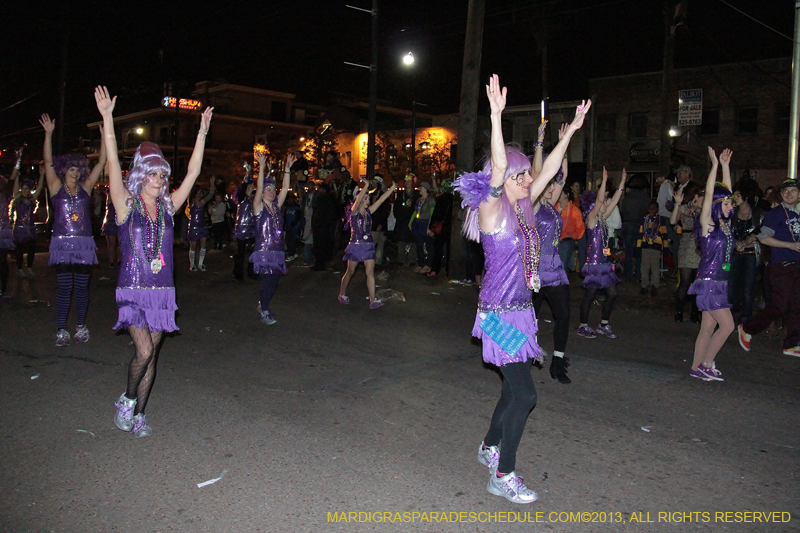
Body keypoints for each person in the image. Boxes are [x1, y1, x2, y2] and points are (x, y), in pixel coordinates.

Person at [455, 74, 589, 504]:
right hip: (497, 315)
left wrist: (569, 134)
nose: (530, 181)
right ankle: (503, 474)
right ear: (506, 179)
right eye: (522, 177)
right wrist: (496, 117)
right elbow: (497, 169)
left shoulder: (525, 207)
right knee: (526, 394)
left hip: (520, 312)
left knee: (513, 390)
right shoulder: (492, 211)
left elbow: (548, 169)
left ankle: (488, 446)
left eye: (528, 177)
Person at [96, 86, 213, 436]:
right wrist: (107, 118)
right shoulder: (125, 205)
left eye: (162, 175)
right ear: (140, 175)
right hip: (132, 289)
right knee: (144, 351)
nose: (159, 180)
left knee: (153, 356)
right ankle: (127, 400)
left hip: (162, 292)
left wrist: (202, 132)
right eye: (153, 174)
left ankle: (140, 415)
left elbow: (193, 173)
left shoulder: (168, 207)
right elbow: (113, 161)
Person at [40, 113, 107, 346]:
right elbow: (47, 161)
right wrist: (48, 134)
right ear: (63, 170)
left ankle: (80, 326)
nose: (75, 173)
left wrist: (105, 138)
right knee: (64, 287)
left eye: (78, 169)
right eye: (71, 169)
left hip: (83, 244)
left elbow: (101, 163)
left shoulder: (86, 188)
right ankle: (61, 329)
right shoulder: (55, 186)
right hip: (62, 244)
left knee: (81, 288)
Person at [530, 122, 573, 384]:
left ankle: (558, 363)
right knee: (530, 317)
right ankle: (526, 355)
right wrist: (540, 141)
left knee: (563, 315)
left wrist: (564, 144)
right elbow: (540, 173)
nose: (552, 186)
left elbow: (562, 174)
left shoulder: (551, 202)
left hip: (555, 269)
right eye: (547, 183)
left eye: (552, 185)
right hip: (535, 270)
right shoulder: (533, 204)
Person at [738, 177, 800, 357]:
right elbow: (763, 238)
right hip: (781, 265)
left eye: (793, 191)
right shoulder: (776, 213)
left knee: (797, 305)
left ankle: (791, 343)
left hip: (797, 265)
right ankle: (748, 328)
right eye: (785, 191)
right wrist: (789, 245)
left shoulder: (797, 213)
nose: (788, 194)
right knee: (780, 304)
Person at [687, 148, 734, 381]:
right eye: (724, 204)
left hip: (720, 281)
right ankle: (706, 364)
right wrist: (714, 166)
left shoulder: (725, 225)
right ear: (715, 205)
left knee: (707, 326)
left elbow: (726, 192)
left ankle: (696, 367)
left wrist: (726, 166)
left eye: (730, 203)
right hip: (709, 282)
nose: (729, 206)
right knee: (727, 326)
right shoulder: (708, 224)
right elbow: (709, 195)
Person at [576, 168, 626, 339]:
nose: (606, 204)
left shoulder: (603, 220)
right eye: (603, 202)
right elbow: (599, 201)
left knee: (612, 294)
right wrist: (603, 181)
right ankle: (583, 325)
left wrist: (622, 183)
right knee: (590, 295)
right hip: (594, 264)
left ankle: (604, 324)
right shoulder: (591, 219)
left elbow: (615, 200)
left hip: (604, 264)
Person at [338, 179, 396, 308]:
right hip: (355, 245)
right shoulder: (354, 213)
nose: (368, 199)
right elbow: (358, 199)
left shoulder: (369, 212)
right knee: (350, 271)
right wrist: (366, 186)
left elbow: (381, 200)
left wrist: (392, 188)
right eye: (366, 197)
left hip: (368, 245)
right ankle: (342, 293)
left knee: (370, 272)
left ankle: (372, 300)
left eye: (367, 197)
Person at [250, 152, 292, 325]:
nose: (272, 192)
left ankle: (263, 303)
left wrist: (287, 169)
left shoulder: (276, 207)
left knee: (274, 283)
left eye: (273, 189)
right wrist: (261, 167)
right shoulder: (259, 207)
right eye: (269, 190)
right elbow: (259, 187)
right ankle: (265, 310)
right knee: (268, 282)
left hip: (277, 251)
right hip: (264, 251)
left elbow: (285, 188)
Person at [727, 181, 764, 324]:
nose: (735, 198)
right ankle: (728, 317)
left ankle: (746, 318)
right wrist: (736, 242)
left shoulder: (757, 213)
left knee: (748, 287)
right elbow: (727, 230)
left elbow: (762, 230)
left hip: (751, 255)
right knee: (730, 286)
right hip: (734, 254)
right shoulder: (732, 213)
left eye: (738, 195)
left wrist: (748, 241)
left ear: (746, 196)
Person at [670, 184, 703, 323]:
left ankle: (693, 312)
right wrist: (677, 204)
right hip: (688, 243)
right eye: (702, 197)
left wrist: (697, 209)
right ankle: (680, 311)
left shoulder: (703, 209)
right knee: (686, 281)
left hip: (699, 245)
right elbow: (673, 221)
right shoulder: (684, 207)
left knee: (696, 282)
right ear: (696, 197)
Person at [0, 148, 24, 296]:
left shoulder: (5, 191)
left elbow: (13, 177)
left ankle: (4, 287)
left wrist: (18, 159)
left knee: (2, 260)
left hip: (2, 232)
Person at [619, 175, 650, 281]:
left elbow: (623, 211)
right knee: (639, 252)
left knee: (629, 251)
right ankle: (638, 274)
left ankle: (628, 274)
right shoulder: (645, 197)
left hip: (628, 225)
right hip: (640, 225)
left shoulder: (627, 197)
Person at [636, 200, 668, 296]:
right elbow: (640, 233)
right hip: (645, 246)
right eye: (650, 209)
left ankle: (655, 286)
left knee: (655, 267)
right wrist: (638, 246)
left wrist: (666, 247)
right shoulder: (644, 220)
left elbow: (664, 234)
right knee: (644, 267)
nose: (651, 211)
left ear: (657, 210)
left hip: (656, 246)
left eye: (653, 209)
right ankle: (644, 285)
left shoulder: (661, 220)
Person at [186, 177, 215, 271]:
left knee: (203, 244)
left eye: (201, 192)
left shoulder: (202, 201)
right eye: (198, 192)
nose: (200, 194)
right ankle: (192, 265)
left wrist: (212, 183)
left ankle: (200, 264)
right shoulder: (191, 201)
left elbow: (210, 194)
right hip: (193, 226)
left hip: (202, 225)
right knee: (193, 246)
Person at [427, 178, 454, 277]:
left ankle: (435, 269)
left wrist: (431, 226)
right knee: (449, 249)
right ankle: (448, 269)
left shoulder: (441, 199)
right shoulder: (454, 199)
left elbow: (436, 214)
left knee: (438, 249)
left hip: (441, 228)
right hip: (451, 228)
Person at [311, 182, 338, 271]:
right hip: (319, 226)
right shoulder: (319, 199)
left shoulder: (327, 200)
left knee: (321, 245)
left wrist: (323, 224)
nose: (317, 190)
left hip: (323, 227)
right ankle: (318, 262)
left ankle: (321, 264)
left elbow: (329, 215)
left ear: (324, 190)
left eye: (320, 189)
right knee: (317, 245)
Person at [410, 182, 436, 273]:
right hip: (418, 224)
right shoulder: (419, 200)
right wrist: (410, 223)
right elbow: (415, 212)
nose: (419, 189)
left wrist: (430, 227)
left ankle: (428, 265)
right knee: (419, 245)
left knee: (429, 245)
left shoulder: (430, 200)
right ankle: (421, 264)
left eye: (421, 187)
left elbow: (432, 214)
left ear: (426, 189)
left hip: (426, 223)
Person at [392, 177, 417, 267]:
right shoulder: (400, 194)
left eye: (409, 181)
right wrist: (399, 214)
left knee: (413, 240)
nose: (407, 183)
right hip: (402, 220)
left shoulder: (416, 194)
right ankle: (401, 259)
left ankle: (412, 259)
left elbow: (419, 207)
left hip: (412, 220)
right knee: (401, 240)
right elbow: (396, 207)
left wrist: (412, 207)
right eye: (406, 181)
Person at [101, 185, 120, 267]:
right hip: (112, 222)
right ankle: (113, 261)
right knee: (113, 244)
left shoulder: (112, 202)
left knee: (115, 244)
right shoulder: (112, 202)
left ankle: (115, 261)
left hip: (115, 222)